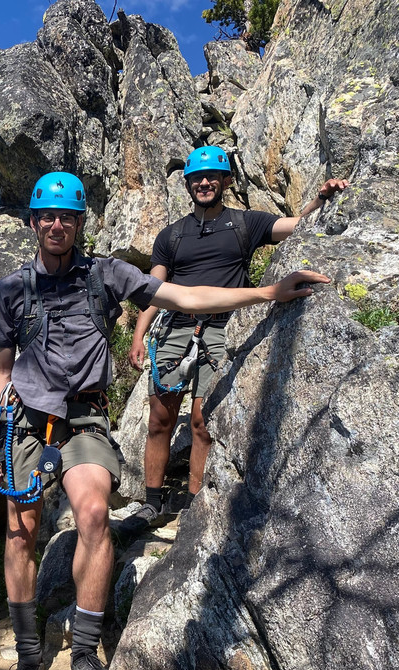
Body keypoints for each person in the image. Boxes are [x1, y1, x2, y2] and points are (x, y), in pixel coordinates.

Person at [0, 171, 331, 670]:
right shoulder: (9, 290)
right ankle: (29, 660)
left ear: (79, 223)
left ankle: (84, 651)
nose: (56, 225)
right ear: (32, 222)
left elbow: (186, 295)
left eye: (67, 217)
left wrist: (266, 291)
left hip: (83, 418)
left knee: (94, 513)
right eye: (47, 216)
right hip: (23, 418)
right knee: (20, 531)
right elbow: (0, 368)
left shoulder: (107, 274)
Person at [129, 146, 349, 524]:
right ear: (187, 184)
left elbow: (295, 226)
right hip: (176, 330)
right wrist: (138, 333)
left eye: (212, 177)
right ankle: (152, 502)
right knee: (159, 419)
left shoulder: (245, 224)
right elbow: (155, 287)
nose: (203, 183)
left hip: (222, 331)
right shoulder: (171, 236)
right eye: (196, 178)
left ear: (226, 181)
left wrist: (320, 198)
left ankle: (194, 505)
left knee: (203, 420)